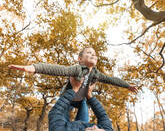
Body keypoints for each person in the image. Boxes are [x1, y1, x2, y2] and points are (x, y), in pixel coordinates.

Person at [8, 47, 138, 104]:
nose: (93, 54)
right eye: (88, 53)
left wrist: (127, 85)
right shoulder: (77, 68)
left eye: (94, 53)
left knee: (84, 123)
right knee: (62, 120)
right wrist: (34, 68)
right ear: (80, 59)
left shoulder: (96, 74)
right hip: (67, 99)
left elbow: (111, 79)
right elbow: (59, 69)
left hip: (81, 101)